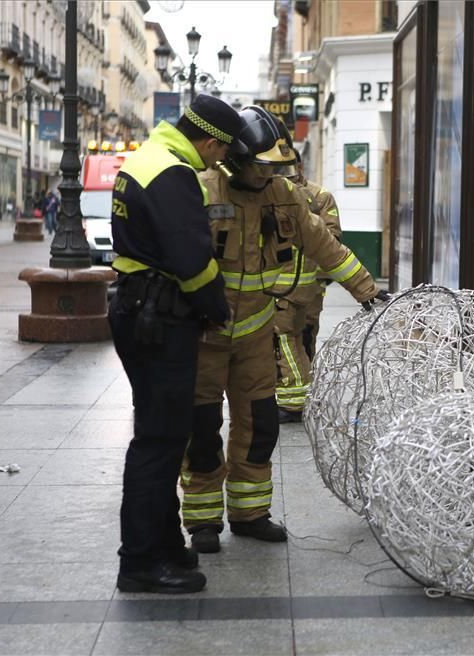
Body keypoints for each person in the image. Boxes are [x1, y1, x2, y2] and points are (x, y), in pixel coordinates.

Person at [181, 106, 388, 554]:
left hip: (256, 333)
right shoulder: (200, 190)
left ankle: (250, 513)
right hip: (204, 337)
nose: (268, 176)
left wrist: (368, 292)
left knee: (258, 428)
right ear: (235, 159)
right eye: (261, 167)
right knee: (201, 430)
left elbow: (324, 244)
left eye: (275, 168)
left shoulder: (283, 195)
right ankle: (202, 521)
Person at [108, 94, 234, 595]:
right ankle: (139, 562)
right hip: (160, 319)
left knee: (158, 434)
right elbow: (193, 258)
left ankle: (162, 545)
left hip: (138, 311)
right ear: (207, 139)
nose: (219, 160)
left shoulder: (146, 157)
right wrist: (217, 307)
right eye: (220, 151)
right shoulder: (175, 173)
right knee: (159, 442)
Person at [274, 149, 342, 423]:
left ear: (300, 165)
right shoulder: (272, 193)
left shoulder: (319, 196)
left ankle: (296, 398)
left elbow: (332, 239)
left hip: (307, 285)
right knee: (292, 339)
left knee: (298, 338)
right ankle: (296, 393)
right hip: (283, 285)